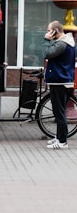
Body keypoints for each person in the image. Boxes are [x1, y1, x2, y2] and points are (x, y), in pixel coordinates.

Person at [42, 20, 75, 150]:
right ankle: (59, 136)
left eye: (49, 30)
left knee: (59, 112)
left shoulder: (62, 44)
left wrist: (46, 40)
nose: (47, 32)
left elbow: (46, 54)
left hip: (60, 81)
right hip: (63, 80)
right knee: (58, 111)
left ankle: (62, 142)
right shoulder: (66, 43)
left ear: (56, 31)